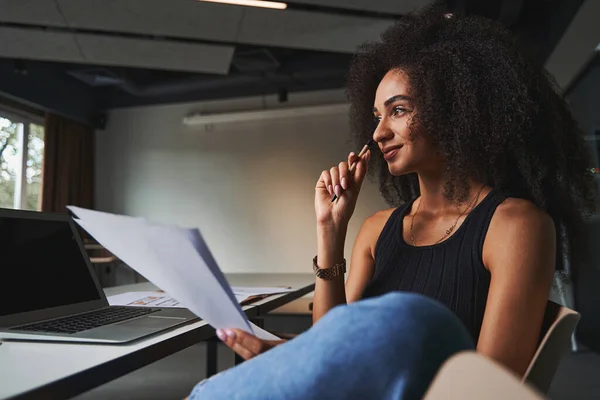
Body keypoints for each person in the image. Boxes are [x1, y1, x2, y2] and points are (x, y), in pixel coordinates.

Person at [188, 2, 596, 399]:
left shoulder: (515, 225)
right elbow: (331, 345)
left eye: (397, 111)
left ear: (453, 112)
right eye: (376, 116)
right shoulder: (376, 228)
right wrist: (330, 231)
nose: (378, 133)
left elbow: (488, 388)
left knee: (408, 318)